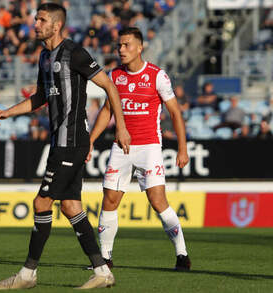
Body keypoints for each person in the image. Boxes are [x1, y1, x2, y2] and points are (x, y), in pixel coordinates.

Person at [0, 3, 130, 290]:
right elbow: (40, 97)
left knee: (41, 202)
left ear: (56, 25)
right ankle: (102, 271)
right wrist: (7, 112)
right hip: (60, 143)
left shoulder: (74, 52)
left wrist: (122, 128)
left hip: (73, 142)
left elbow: (110, 87)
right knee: (70, 206)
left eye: (41, 19)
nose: (35, 23)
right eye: (35, 18)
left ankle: (28, 273)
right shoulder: (43, 57)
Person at [87, 27, 191, 272]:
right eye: (119, 46)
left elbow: (175, 112)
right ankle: (105, 259)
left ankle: (182, 254)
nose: (121, 50)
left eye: (126, 45)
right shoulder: (114, 76)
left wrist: (182, 148)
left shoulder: (157, 75)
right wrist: (91, 140)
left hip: (149, 147)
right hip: (120, 147)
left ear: (139, 47)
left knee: (157, 201)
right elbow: (107, 111)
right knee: (110, 199)